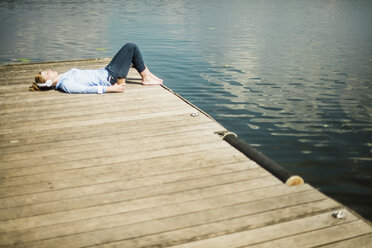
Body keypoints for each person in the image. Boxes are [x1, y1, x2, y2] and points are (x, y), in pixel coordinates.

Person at [30, 42, 163, 93]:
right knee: (131, 47)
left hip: (106, 71)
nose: (48, 70)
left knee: (130, 50)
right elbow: (86, 90)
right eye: (46, 74)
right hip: (110, 78)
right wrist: (112, 89)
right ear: (48, 82)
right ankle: (146, 78)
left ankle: (148, 76)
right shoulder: (65, 84)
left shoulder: (63, 77)